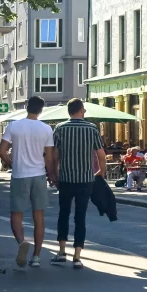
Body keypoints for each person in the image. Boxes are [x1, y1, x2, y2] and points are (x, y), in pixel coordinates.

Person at [0, 96, 54, 268]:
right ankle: (36, 256)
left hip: (19, 175)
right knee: (39, 217)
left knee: (16, 214)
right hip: (38, 175)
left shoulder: (14, 126)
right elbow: (49, 158)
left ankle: (22, 242)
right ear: (41, 110)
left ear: (26, 107)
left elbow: (1, 151)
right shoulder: (46, 129)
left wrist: (12, 163)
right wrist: (51, 175)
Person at [51, 98, 106, 269]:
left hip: (66, 178)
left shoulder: (60, 128)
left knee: (63, 213)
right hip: (85, 179)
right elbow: (101, 155)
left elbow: (54, 155)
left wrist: (55, 175)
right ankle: (77, 256)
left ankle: (61, 252)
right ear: (81, 110)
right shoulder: (92, 128)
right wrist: (100, 174)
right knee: (80, 216)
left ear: (69, 111)